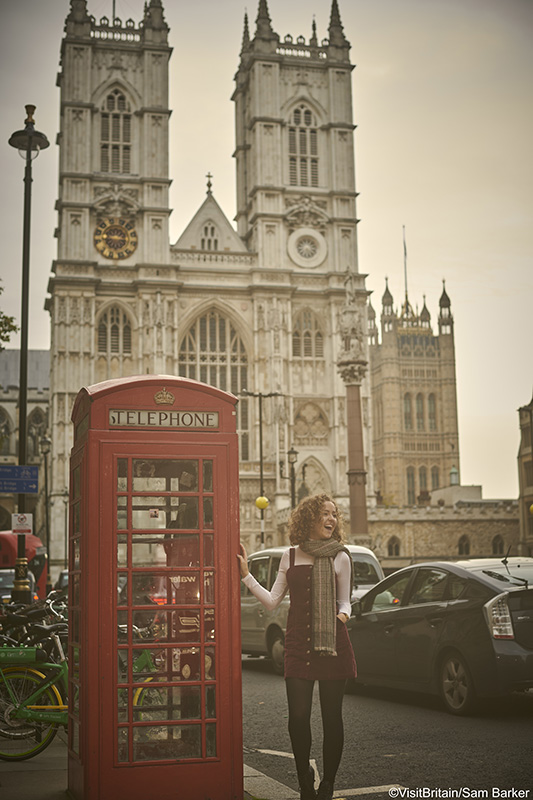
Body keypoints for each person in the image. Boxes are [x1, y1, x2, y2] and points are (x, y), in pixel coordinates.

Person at [237, 493, 356, 800]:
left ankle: (328, 783)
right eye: (324, 514)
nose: (331, 519)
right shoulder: (290, 556)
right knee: (298, 717)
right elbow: (273, 600)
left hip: (332, 644)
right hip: (298, 644)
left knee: (332, 718)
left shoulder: (340, 556)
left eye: (334, 514)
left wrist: (341, 616)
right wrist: (247, 575)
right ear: (309, 519)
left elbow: (345, 601)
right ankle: (305, 777)